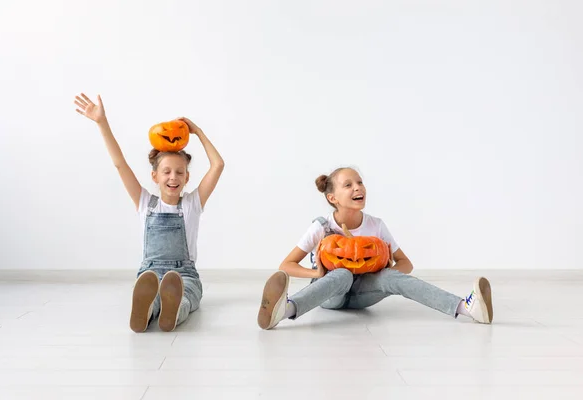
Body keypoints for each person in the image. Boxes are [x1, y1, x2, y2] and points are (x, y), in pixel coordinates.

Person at [257, 167, 492, 330]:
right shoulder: (321, 226)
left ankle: (467, 308)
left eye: (360, 182)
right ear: (332, 197)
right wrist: (316, 274)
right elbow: (286, 265)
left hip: (363, 294)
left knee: (389, 276)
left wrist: (385, 267)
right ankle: (285, 309)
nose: (358, 187)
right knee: (343, 273)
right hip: (331, 293)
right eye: (348, 185)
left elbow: (406, 264)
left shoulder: (375, 226)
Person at [74, 93, 224, 332]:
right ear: (155, 176)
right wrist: (102, 122)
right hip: (151, 275)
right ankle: (148, 310)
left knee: (186, 296)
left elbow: (218, 165)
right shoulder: (145, 202)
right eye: (166, 172)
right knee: (153, 295)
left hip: (183, 275)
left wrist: (197, 132)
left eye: (179, 172)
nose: (173, 177)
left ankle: (170, 310)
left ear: (187, 177)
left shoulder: (191, 204)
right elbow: (120, 163)